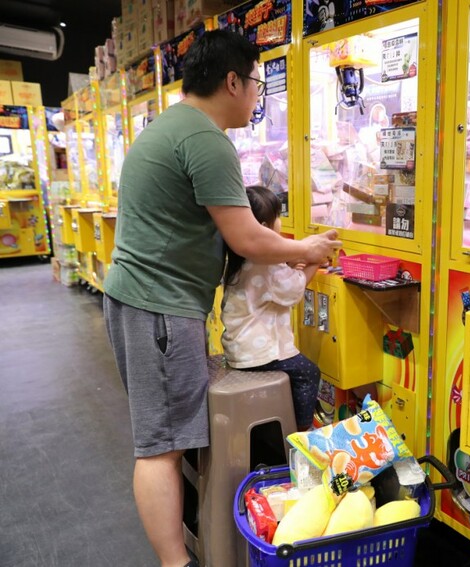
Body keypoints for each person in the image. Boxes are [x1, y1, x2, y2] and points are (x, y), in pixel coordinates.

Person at [102, 30, 341, 567]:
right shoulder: (206, 139)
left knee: (166, 440)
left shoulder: (173, 123)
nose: (257, 95)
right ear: (232, 81)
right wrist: (307, 248)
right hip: (159, 307)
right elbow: (247, 238)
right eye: (255, 82)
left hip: (145, 301)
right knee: (161, 448)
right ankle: (177, 562)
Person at [220, 185, 322, 432]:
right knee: (308, 372)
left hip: (238, 350)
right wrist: (315, 263)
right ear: (263, 228)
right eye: (278, 217)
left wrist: (290, 263)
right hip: (260, 354)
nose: (281, 222)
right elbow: (293, 290)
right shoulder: (266, 263)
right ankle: (302, 430)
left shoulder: (238, 256)